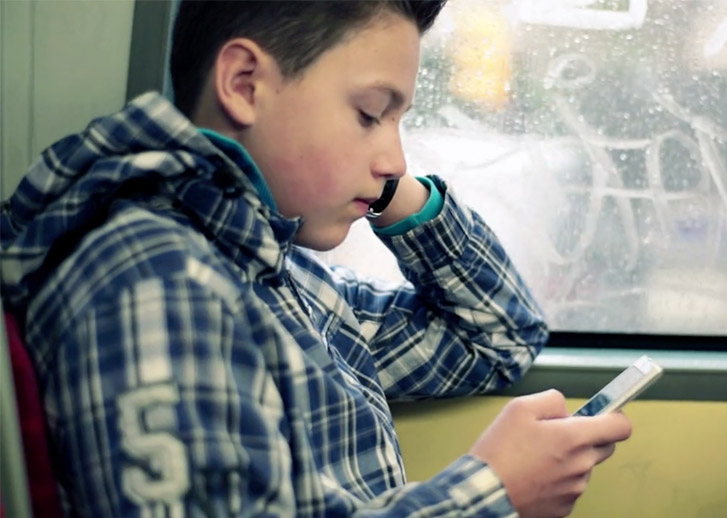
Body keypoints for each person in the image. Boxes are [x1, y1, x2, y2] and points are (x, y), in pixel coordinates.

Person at [0, 1, 632, 516]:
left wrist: (385, 187)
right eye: (369, 114)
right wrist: (491, 494)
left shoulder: (282, 275)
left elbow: (495, 336)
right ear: (245, 85)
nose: (396, 161)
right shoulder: (154, 282)